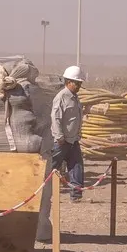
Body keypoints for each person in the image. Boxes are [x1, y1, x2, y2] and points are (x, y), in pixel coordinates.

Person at [50, 64, 87, 202]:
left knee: (77, 165)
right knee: (52, 166)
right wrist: (59, 136)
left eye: (80, 83)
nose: (78, 86)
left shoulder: (74, 97)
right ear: (68, 82)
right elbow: (56, 118)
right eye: (76, 83)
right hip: (62, 140)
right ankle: (39, 191)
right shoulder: (61, 97)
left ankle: (76, 196)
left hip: (72, 140)